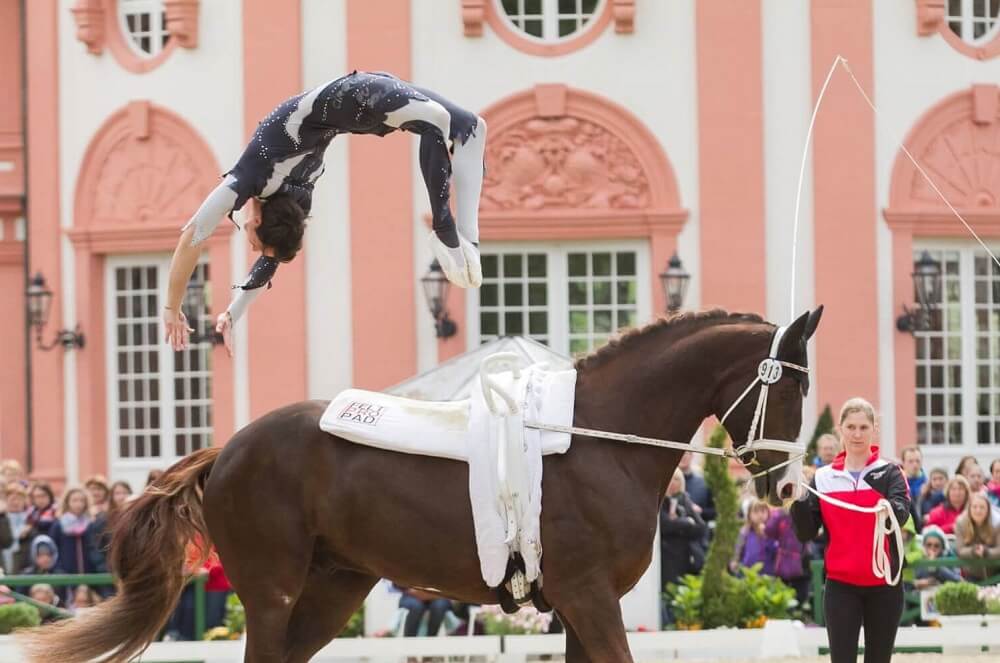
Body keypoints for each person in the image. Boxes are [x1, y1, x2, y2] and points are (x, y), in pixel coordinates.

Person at [162, 71, 487, 355]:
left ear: (258, 222)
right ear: (257, 223)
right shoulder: (289, 195)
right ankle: (462, 239)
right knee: (457, 125)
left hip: (357, 94)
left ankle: (454, 236)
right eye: (254, 246)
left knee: (461, 125)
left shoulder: (251, 176)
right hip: (361, 102)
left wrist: (172, 308)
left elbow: (194, 235)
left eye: (254, 247)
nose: (251, 248)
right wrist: (234, 313)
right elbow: (266, 259)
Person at [790, 397, 910, 663]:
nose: (857, 434)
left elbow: (901, 513)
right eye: (851, 427)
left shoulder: (890, 472)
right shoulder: (822, 478)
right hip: (841, 587)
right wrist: (797, 500)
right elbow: (806, 533)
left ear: (874, 430)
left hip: (885, 586)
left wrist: (887, 508)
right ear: (840, 429)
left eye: (864, 427)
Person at [659, 468, 707, 625]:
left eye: (677, 480)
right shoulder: (659, 501)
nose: (673, 484)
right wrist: (686, 523)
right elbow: (664, 525)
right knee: (668, 595)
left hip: (686, 559)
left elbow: (700, 527)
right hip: (666, 559)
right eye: (670, 479)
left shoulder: (684, 499)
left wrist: (678, 525)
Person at [953, 493, 1000, 580]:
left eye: (982, 507)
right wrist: (973, 551)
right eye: (974, 507)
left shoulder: (997, 523)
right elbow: (960, 550)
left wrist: (986, 552)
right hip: (971, 573)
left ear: (988, 509)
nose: (978, 511)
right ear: (969, 508)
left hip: (996, 573)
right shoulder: (961, 522)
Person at [911, 525, 961, 590]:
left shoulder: (949, 558)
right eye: (929, 545)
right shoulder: (918, 559)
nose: (932, 548)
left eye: (936, 546)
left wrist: (936, 567)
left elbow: (958, 580)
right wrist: (918, 583)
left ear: (942, 547)